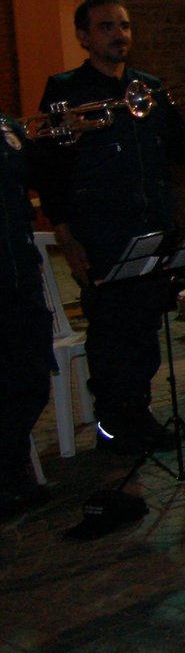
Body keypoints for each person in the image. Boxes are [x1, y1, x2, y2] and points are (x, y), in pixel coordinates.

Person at [32, 0, 185, 453]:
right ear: (84, 36)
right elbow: (49, 169)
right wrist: (67, 234)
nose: (119, 35)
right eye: (107, 27)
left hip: (149, 228)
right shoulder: (66, 89)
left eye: (125, 26)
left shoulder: (146, 88)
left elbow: (181, 150)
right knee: (112, 332)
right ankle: (114, 422)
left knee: (145, 327)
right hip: (101, 233)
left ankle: (140, 414)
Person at [0, 113, 54, 517]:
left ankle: (11, 464)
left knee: (31, 374)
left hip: (19, 268)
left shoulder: (6, 127)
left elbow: (33, 182)